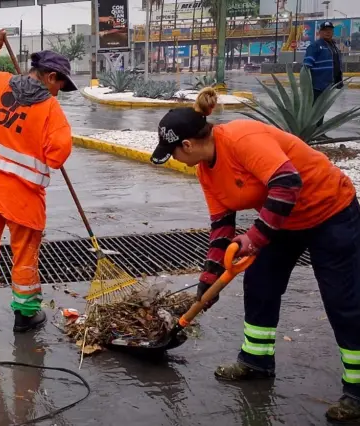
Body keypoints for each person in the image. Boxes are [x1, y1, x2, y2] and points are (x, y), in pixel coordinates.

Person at [150, 87, 360, 422]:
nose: (173, 158)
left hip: (329, 211)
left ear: (186, 145)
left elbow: (287, 182)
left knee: (343, 301)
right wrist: (208, 281)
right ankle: (256, 361)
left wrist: (257, 237)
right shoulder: (206, 169)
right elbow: (221, 224)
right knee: (260, 286)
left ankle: (357, 391)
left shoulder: (242, 138)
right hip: (282, 221)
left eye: (172, 152)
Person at [0, 30, 76, 333]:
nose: (59, 92)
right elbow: (58, 154)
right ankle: (25, 315)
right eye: (61, 85)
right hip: (24, 198)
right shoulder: (51, 109)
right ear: (50, 76)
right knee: (24, 257)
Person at [303, 21, 344, 126]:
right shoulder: (315, 46)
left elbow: (336, 64)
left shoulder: (333, 46)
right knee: (315, 110)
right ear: (320, 32)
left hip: (329, 84)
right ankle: (313, 131)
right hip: (317, 85)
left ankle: (319, 132)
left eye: (330, 30)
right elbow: (307, 66)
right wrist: (308, 85)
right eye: (325, 31)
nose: (328, 32)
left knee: (322, 110)